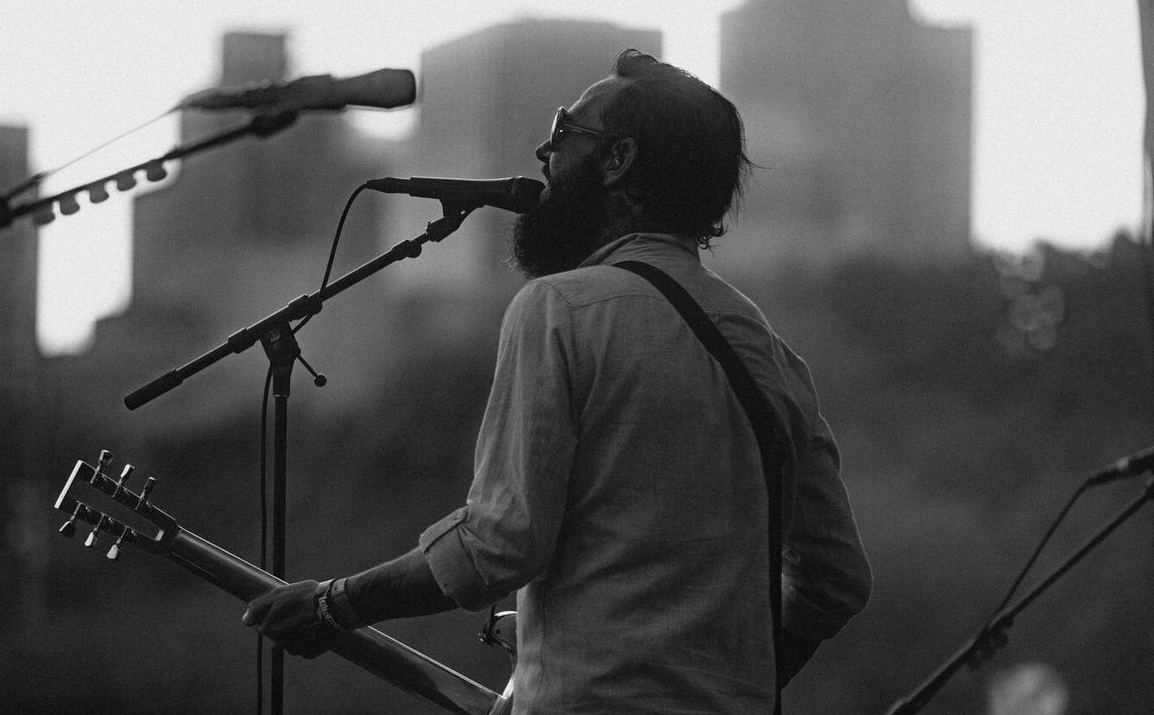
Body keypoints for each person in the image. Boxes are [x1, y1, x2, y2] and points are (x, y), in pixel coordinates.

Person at [243, 49, 872, 714]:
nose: (545, 153)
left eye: (564, 131)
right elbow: (836, 580)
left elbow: (499, 543)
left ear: (617, 159)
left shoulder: (560, 309)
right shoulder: (764, 348)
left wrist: (332, 605)